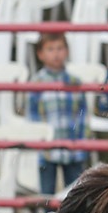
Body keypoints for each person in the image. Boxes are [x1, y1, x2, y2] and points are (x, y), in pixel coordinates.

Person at [26, 29, 89, 198]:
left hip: (73, 147)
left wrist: (82, 141)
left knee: (76, 194)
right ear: (40, 54)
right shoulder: (36, 83)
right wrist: (38, 141)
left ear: (67, 51)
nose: (56, 54)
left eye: (60, 48)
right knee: (46, 194)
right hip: (46, 149)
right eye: (50, 49)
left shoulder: (75, 82)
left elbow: (83, 114)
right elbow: (32, 116)